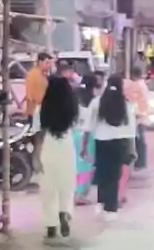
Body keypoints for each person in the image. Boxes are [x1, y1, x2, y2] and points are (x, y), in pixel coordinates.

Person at [82, 74, 137, 221]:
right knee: (114, 175)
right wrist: (132, 147)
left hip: (101, 141)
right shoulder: (126, 104)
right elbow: (131, 128)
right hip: (120, 143)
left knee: (102, 172)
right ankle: (111, 208)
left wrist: (84, 146)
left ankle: (101, 202)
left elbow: (88, 127)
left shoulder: (97, 102)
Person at [32, 75, 79, 240]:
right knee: (67, 184)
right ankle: (64, 212)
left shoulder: (41, 109)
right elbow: (77, 127)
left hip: (48, 146)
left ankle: (51, 224)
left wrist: (36, 156)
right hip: (66, 145)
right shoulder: (73, 109)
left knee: (48, 187)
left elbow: (38, 134)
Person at [74, 73, 99, 205]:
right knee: (86, 167)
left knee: (76, 166)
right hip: (88, 136)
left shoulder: (74, 97)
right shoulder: (95, 101)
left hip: (74, 134)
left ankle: (75, 192)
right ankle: (80, 194)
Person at [124, 67, 149, 172]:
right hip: (142, 114)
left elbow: (135, 101)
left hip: (138, 115)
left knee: (139, 139)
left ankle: (140, 162)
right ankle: (141, 162)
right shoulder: (143, 85)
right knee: (140, 139)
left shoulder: (137, 86)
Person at [25, 52, 53, 120]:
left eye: (50, 63)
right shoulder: (33, 75)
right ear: (40, 62)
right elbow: (29, 96)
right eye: (47, 63)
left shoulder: (44, 75)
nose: (49, 66)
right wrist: (30, 112)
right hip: (36, 111)